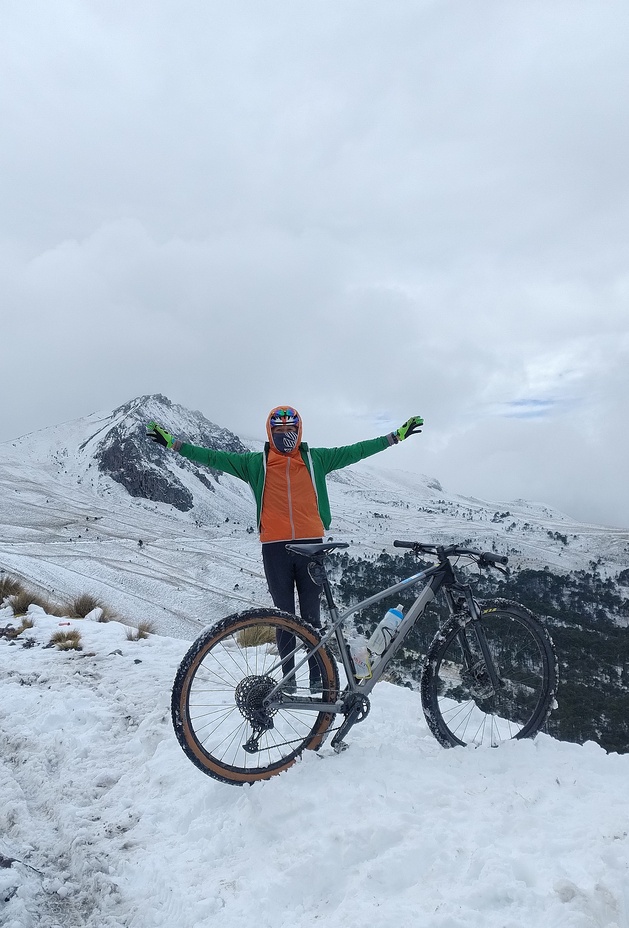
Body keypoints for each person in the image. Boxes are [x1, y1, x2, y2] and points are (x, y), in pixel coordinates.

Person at [147, 406, 423, 687]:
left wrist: (394, 436)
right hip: (275, 548)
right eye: (278, 431)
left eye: (290, 430)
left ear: (298, 430)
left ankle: (319, 678)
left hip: (311, 546)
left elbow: (357, 450)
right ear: (270, 432)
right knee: (284, 618)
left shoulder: (317, 459)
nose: (285, 435)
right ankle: (288, 679)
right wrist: (174, 444)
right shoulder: (256, 464)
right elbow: (214, 458)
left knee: (312, 617)